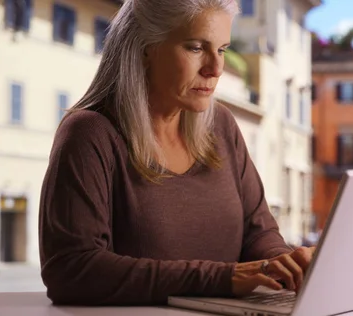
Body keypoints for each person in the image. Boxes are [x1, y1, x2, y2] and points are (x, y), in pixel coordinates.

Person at [38, 0, 315, 306]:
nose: (216, 68)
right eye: (196, 47)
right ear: (144, 48)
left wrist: (282, 263)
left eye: (222, 49)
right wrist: (221, 279)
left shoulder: (221, 125)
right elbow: (71, 270)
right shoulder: (89, 134)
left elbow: (258, 233)